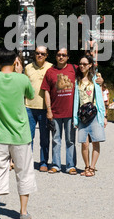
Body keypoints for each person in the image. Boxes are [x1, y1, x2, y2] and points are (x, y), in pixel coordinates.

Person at [0, 48, 37, 219]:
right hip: (20, 134)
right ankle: (23, 212)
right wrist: (20, 73)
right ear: (15, 62)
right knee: (24, 172)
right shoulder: (22, 79)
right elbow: (31, 95)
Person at [41, 47, 103, 175]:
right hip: (55, 111)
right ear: (55, 56)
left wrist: (100, 79)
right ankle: (56, 165)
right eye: (59, 54)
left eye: (64, 55)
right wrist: (48, 110)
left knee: (70, 140)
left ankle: (70, 165)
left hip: (71, 112)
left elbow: (90, 73)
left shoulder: (74, 69)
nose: (61, 57)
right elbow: (46, 91)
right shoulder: (50, 72)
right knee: (56, 140)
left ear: (68, 57)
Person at [73, 55, 107, 177]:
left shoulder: (96, 80)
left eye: (85, 64)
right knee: (84, 143)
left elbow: (100, 99)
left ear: (90, 65)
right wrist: (75, 118)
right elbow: (76, 101)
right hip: (82, 115)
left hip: (95, 114)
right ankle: (86, 166)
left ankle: (92, 167)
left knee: (96, 141)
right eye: (80, 64)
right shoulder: (77, 80)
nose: (82, 66)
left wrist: (104, 116)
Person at [25, 46, 53, 172]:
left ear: (46, 55)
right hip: (29, 107)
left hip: (44, 108)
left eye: (42, 53)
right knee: (27, 138)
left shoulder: (51, 67)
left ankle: (43, 162)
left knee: (44, 138)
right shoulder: (28, 68)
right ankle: (27, 162)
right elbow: (23, 86)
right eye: (37, 53)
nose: (40, 55)